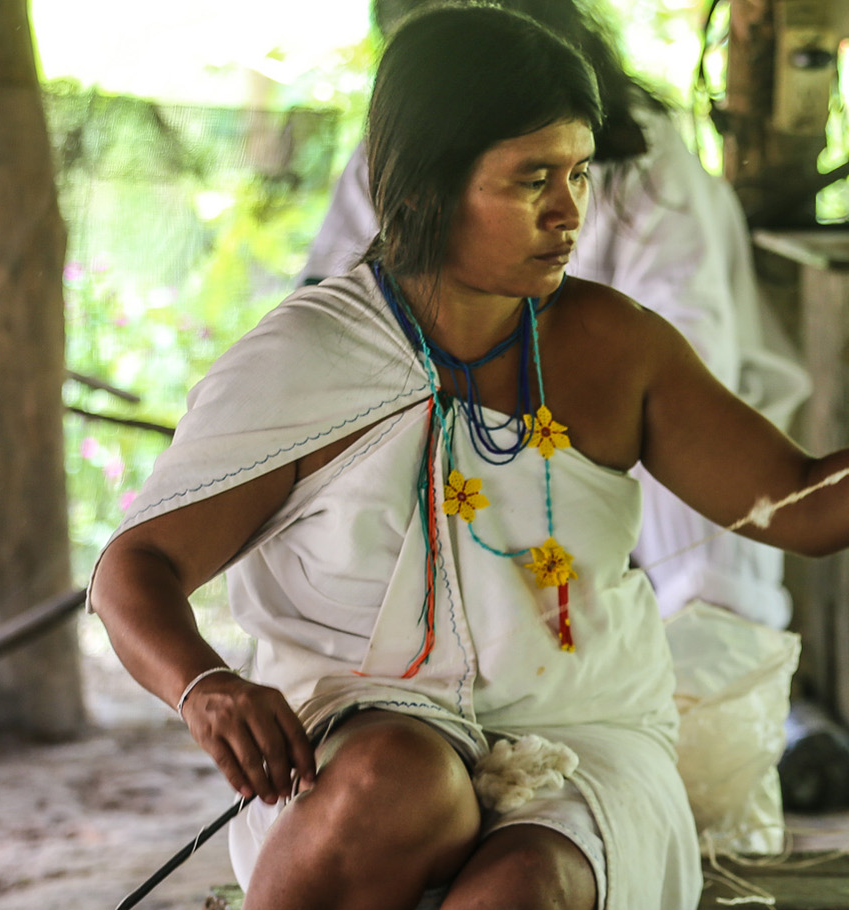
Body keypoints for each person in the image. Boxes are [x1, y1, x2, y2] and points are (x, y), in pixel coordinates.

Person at [90, 6, 849, 910]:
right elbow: (133, 570)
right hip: (365, 737)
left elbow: (799, 503)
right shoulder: (309, 358)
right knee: (401, 773)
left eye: (580, 174)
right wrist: (207, 688)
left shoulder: (609, 344)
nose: (569, 213)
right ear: (422, 185)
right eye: (530, 179)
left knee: (521, 900)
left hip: (583, 737)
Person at [301, 0, 807, 630]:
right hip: (454, 440)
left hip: (625, 450)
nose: (566, 211)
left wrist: (556, 411)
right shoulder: (395, 160)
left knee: (689, 620)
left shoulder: (643, 165)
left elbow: (693, 347)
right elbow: (335, 311)